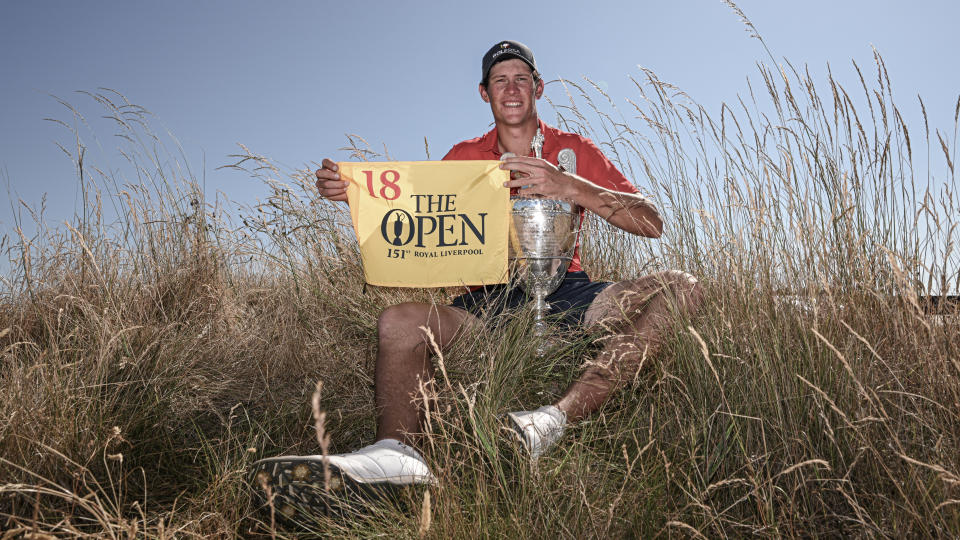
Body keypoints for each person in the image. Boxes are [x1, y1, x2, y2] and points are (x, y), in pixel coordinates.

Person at [250, 40, 702, 513]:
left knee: (683, 288)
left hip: (571, 291)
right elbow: (417, 214)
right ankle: (395, 457)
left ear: (538, 88)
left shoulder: (574, 149)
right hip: (489, 300)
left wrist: (568, 184)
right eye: (500, 80)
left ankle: (552, 419)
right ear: (484, 93)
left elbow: (650, 222)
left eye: (521, 78)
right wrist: (356, 194)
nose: (512, 88)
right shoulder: (462, 156)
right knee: (398, 323)